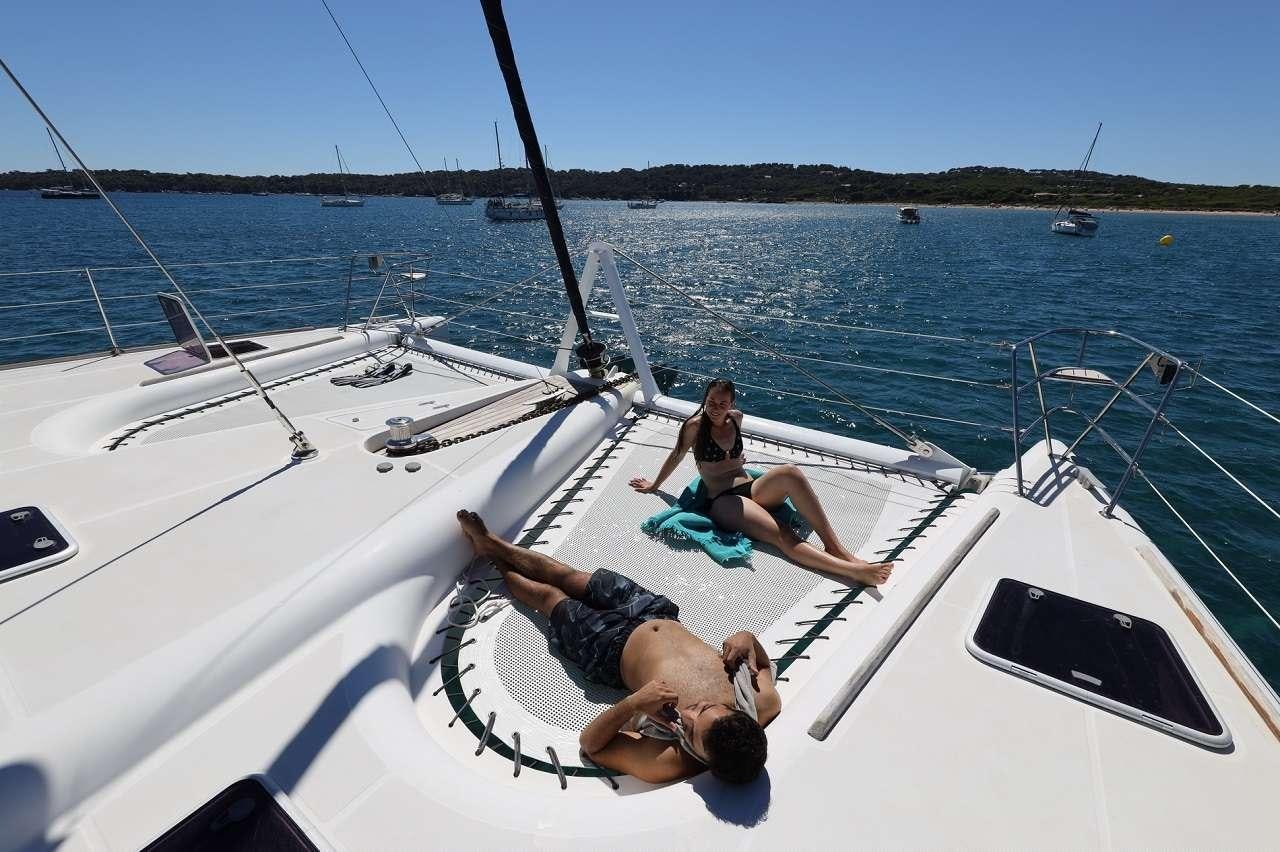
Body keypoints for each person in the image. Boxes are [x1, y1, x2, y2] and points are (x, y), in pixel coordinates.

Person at [456, 509, 778, 785]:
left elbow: (592, 745)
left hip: (608, 648)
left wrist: (634, 704)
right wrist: (748, 638)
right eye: (705, 709)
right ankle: (493, 543)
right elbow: (761, 664)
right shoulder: (762, 703)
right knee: (569, 577)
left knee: (549, 598)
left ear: (701, 756)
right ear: (738, 714)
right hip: (655, 612)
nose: (689, 714)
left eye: (690, 729)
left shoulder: (665, 761)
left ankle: (495, 561)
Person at [630, 378, 893, 587]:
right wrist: (654, 485)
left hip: (749, 488)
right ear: (705, 400)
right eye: (711, 401)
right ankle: (853, 572)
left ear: (731, 403)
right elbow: (676, 455)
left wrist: (735, 459)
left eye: (722, 403)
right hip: (723, 500)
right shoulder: (694, 427)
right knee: (782, 535)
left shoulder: (736, 418)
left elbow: (732, 453)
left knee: (791, 472)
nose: (715, 408)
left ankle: (835, 547)